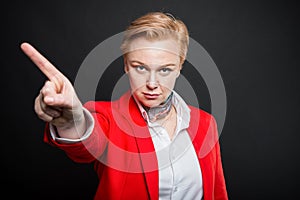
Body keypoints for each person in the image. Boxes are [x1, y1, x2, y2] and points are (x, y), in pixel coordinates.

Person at [21, 12, 228, 200]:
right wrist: (70, 120)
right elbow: (88, 138)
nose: (152, 83)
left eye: (165, 70)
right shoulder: (108, 118)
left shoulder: (206, 124)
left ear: (179, 67)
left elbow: (218, 193)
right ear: (126, 66)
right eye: (140, 68)